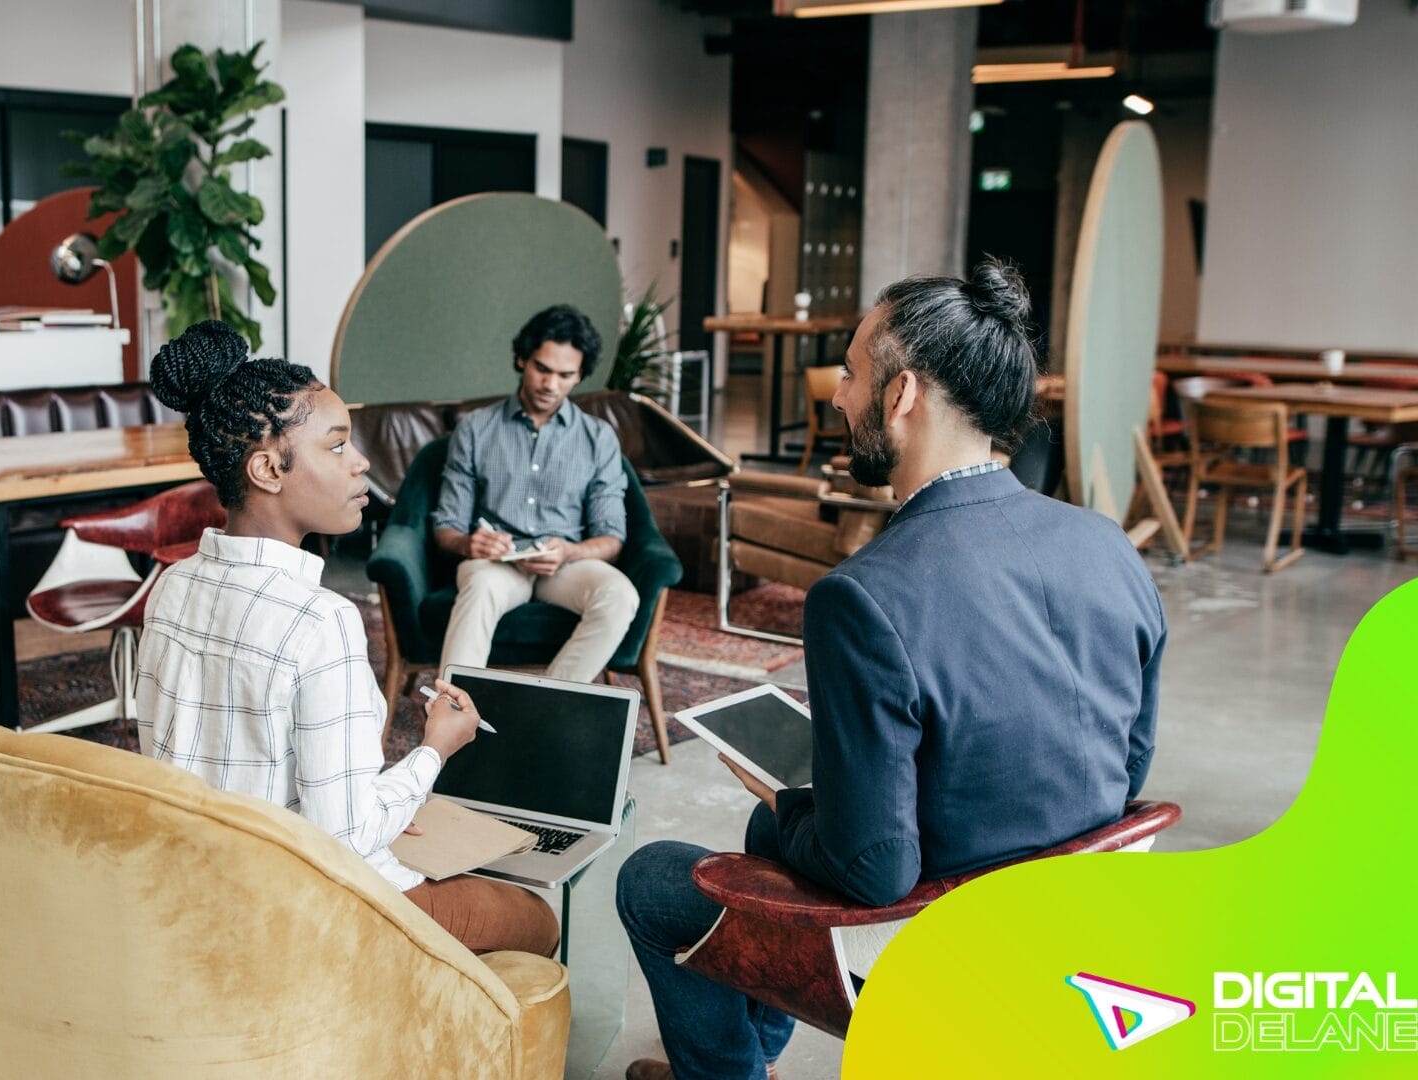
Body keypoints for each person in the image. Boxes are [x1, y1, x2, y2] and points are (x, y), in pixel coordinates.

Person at [617, 262, 1166, 1080]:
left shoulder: (864, 597)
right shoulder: (1106, 543)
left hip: (941, 945)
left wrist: (787, 799)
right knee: (771, 839)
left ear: (902, 393)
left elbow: (877, 872)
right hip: (1072, 925)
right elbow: (1129, 768)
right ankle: (752, 1052)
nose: (840, 397)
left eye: (850, 374)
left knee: (650, 880)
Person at [130, 320, 559, 956]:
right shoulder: (321, 620)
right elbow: (349, 837)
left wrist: (383, 798)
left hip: (199, 886)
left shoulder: (172, 586)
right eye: (336, 446)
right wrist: (434, 751)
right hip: (309, 907)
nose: (361, 462)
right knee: (538, 920)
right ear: (268, 469)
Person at [431, 304, 638, 682]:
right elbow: (447, 525)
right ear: (521, 360)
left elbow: (612, 537)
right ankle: (451, 707)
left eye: (565, 375)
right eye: (542, 368)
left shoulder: (598, 437)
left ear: (579, 376)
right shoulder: (476, 428)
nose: (550, 384)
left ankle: (545, 703)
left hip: (565, 564)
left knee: (620, 595)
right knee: (480, 585)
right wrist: (470, 543)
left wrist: (570, 551)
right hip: (497, 564)